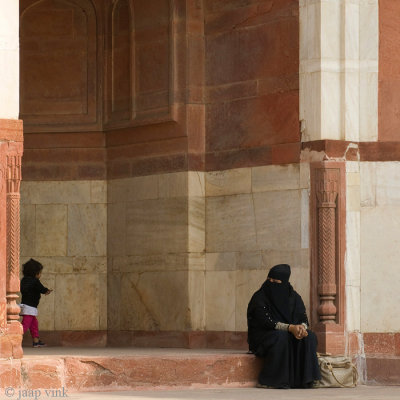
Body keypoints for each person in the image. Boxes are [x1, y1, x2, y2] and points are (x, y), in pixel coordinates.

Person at [247, 264, 320, 389]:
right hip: (263, 336)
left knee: (310, 337)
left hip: (288, 333)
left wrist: (301, 328)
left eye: (275, 281)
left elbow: (303, 318)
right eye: (269, 279)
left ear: (284, 282)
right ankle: (270, 380)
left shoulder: (294, 297)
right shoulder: (259, 297)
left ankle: (306, 380)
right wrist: (290, 328)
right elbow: (266, 322)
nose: (271, 283)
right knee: (281, 337)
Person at [20, 258, 53, 347]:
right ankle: (14, 339)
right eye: (40, 273)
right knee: (25, 325)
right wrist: (47, 291)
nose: (40, 275)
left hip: (25, 306)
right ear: (36, 273)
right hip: (30, 307)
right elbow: (42, 289)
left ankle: (36, 341)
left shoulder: (23, 280)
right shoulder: (35, 281)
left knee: (34, 324)